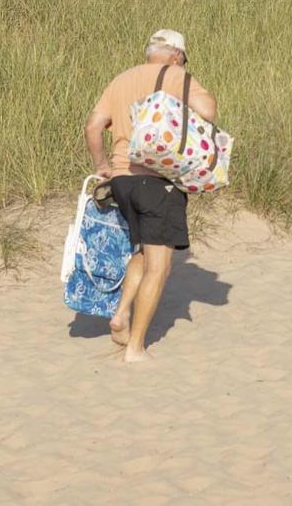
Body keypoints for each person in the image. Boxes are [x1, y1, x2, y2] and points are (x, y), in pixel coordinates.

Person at [83, 28, 217, 363]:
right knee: (161, 266)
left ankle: (121, 315)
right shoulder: (175, 74)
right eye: (184, 58)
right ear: (176, 54)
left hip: (122, 181)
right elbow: (209, 110)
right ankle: (135, 348)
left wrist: (102, 165)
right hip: (157, 181)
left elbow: (93, 126)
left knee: (144, 252)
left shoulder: (121, 79)